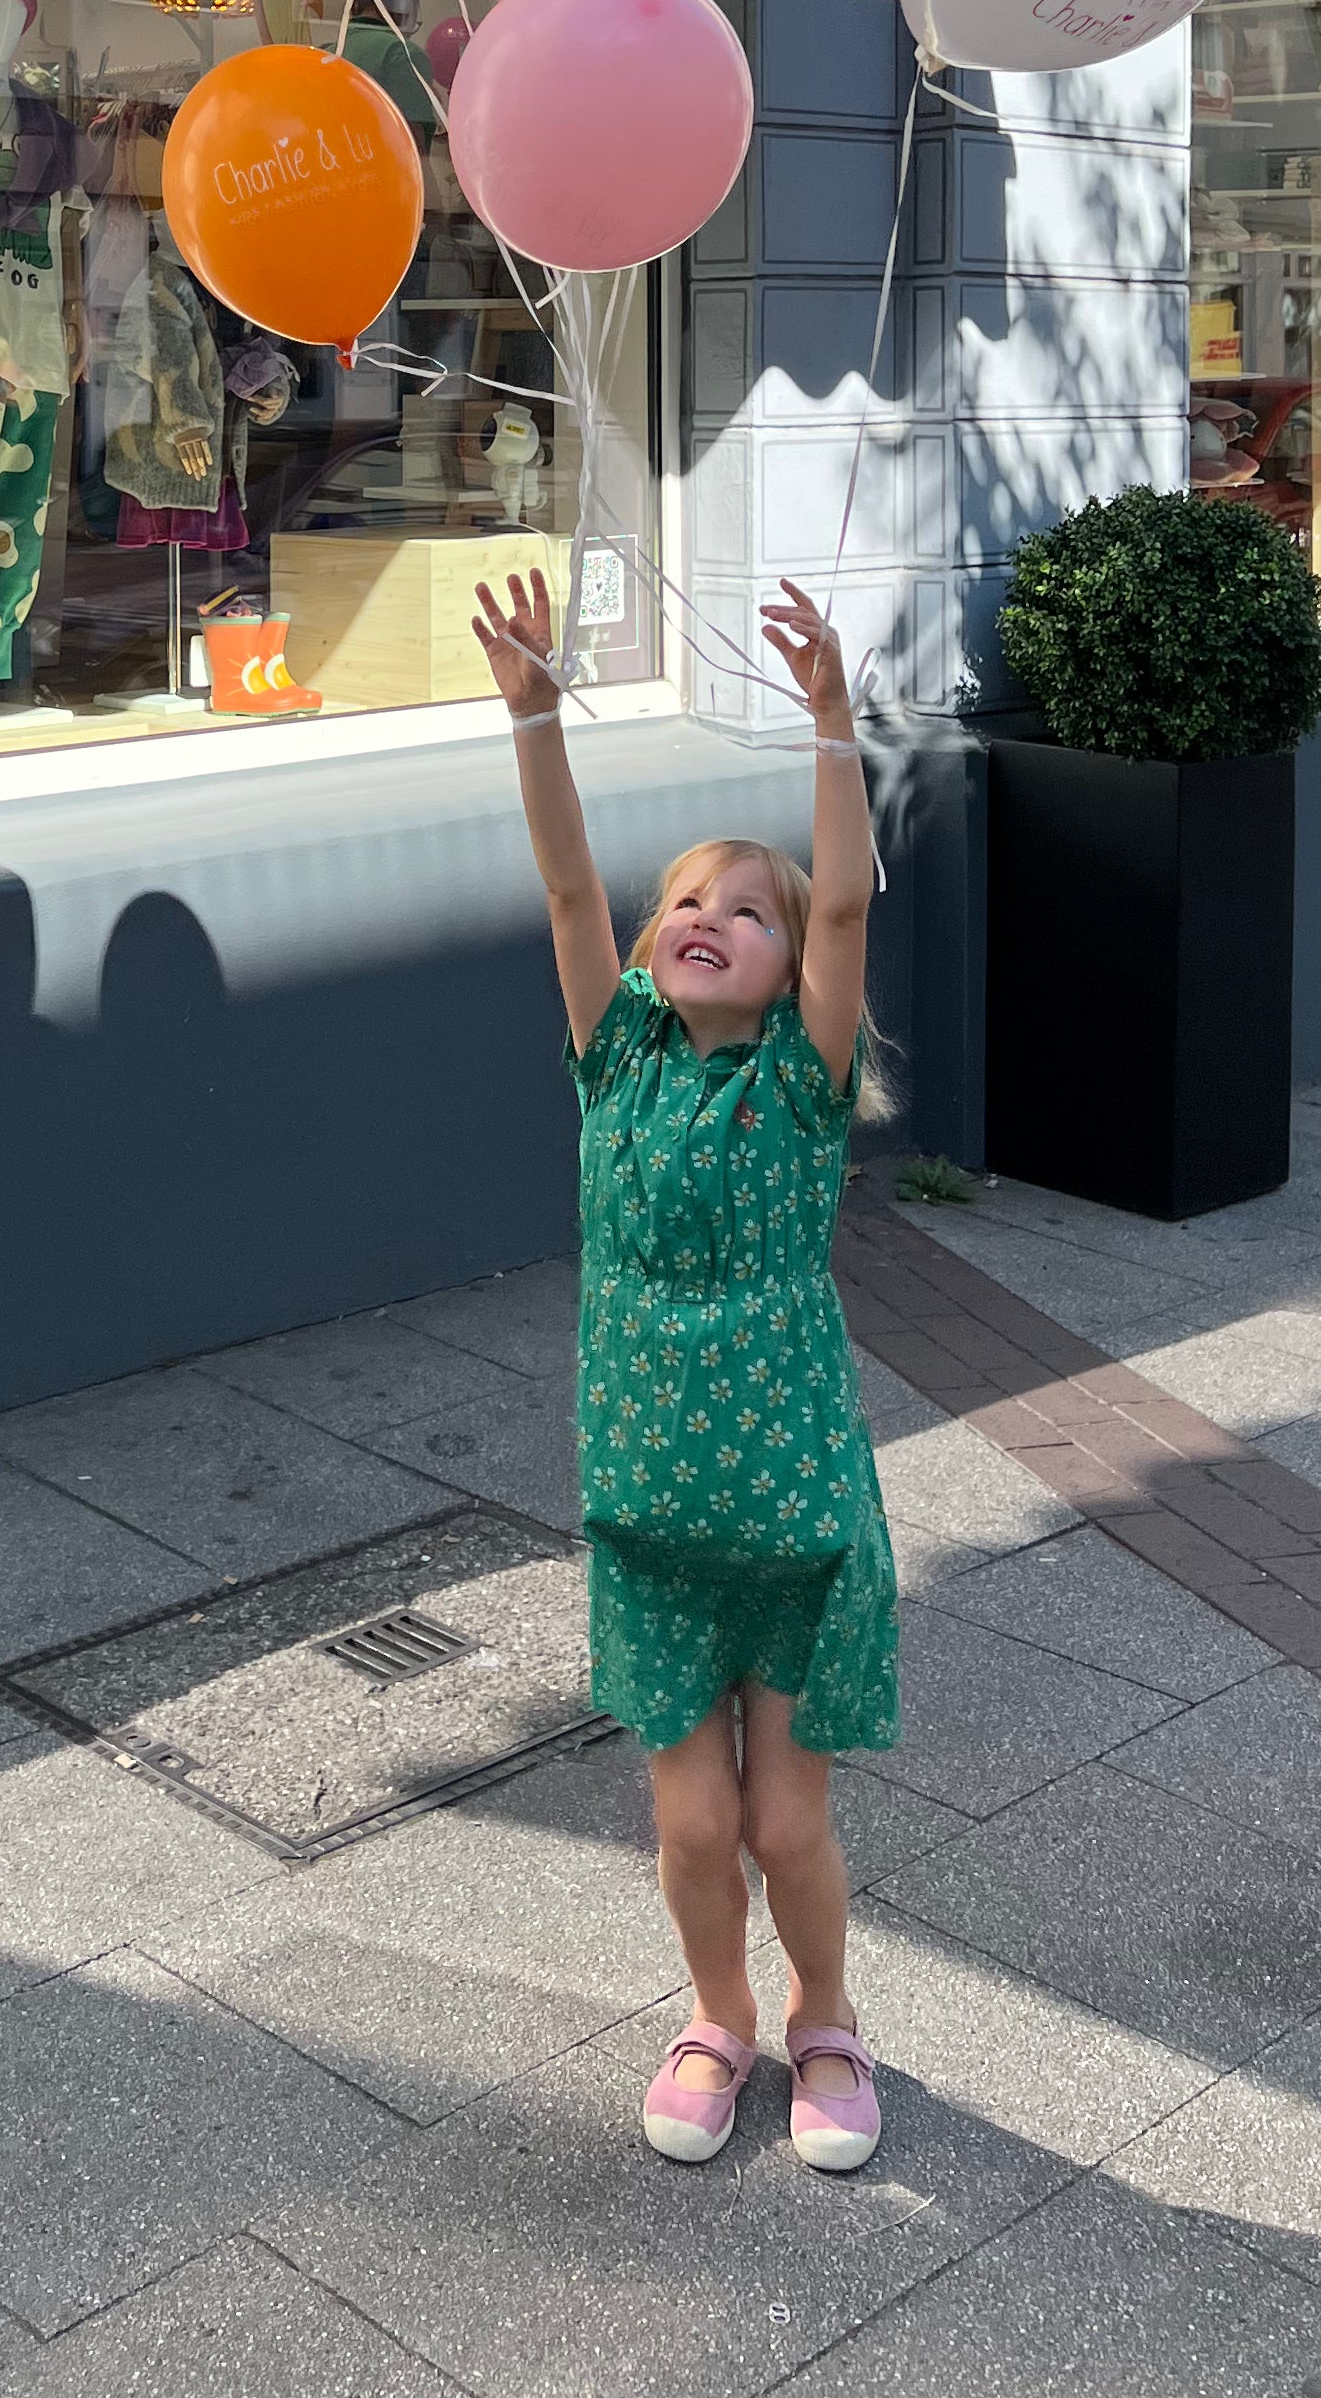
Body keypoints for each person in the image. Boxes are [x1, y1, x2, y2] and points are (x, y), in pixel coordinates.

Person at [474, 564, 898, 2176]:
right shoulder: (615, 1065)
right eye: (689, 904)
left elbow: (849, 901)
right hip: (652, 1516)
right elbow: (571, 887)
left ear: (794, 973)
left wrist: (834, 729)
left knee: (789, 1820)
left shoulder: (802, 1091)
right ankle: (717, 2018)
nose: (705, 916)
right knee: (694, 1822)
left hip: (790, 1519)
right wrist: (535, 719)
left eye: (747, 908)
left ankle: (826, 2016)